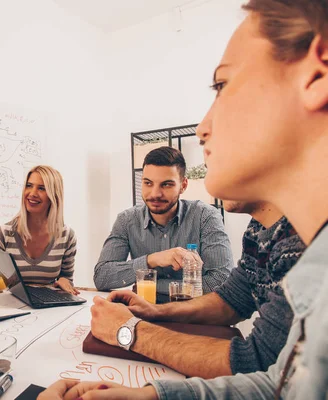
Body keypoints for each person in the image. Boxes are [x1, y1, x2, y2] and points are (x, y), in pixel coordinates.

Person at [40, 0, 328, 398]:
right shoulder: (271, 233)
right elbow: (265, 361)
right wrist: (153, 321)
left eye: (222, 86)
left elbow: (256, 358)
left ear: (316, 75)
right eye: (148, 183)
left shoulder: (217, 220)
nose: (203, 128)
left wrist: (130, 330)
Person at [89, 201, 305, 378]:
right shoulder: (258, 229)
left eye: (207, 145)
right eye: (147, 182)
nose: (206, 162)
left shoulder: (301, 239)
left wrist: (129, 331)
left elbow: (264, 362)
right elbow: (232, 299)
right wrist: (154, 311)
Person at [94, 146, 233, 295]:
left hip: (193, 316)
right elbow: (102, 277)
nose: (155, 194)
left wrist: (153, 285)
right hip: (144, 312)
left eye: (166, 184)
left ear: (183, 185)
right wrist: (152, 260)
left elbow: (221, 280)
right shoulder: (127, 220)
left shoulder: (205, 217)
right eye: (148, 183)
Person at [0, 165, 78, 294]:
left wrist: (65, 280)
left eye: (41, 188)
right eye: (29, 186)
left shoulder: (66, 236)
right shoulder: (2, 235)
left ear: (54, 195)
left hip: (50, 308)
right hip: (13, 307)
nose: (32, 193)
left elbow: (67, 281)